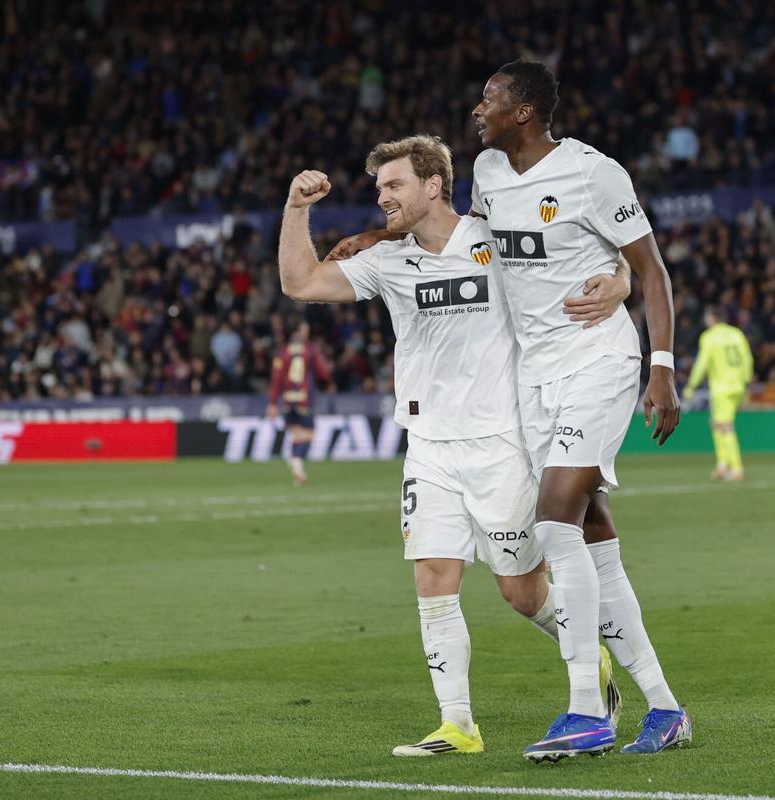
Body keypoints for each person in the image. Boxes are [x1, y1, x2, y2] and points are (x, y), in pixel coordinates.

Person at [330, 60, 691, 761]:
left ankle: (586, 710)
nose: (478, 109)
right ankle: (665, 707)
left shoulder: (594, 173)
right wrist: (378, 238)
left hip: (597, 357)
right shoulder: (490, 172)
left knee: (554, 521)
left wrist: (661, 366)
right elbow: (468, 240)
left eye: (489, 98)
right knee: (592, 537)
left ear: (523, 110)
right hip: (535, 376)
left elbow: (650, 267)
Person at [277, 134, 626, 758]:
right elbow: (300, 283)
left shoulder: (496, 239)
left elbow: (589, 247)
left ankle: (588, 655)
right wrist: (296, 208)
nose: (382, 197)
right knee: (433, 577)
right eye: (379, 187)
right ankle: (458, 725)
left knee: (521, 592)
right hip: (429, 446)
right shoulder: (387, 262)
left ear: (434, 185)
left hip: (503, 443)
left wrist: (622, 279)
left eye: (394, 185)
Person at [683, 306, 753, 480]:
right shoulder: (736, 333)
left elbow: (702, 363)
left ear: (713, 318)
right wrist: (746, 383)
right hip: (738, 385)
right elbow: (747, 359)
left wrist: (691, 386)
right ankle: (722, 464)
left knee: (724, 425)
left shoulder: (709, 336)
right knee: (715, 423)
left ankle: (736, 468)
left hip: (722, 386)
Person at [267, 321, 331, 486]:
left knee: (296, 434)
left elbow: (276, 379)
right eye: (305, 330)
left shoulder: (282, 352)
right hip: (304, 399)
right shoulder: (311, 350)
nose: (307, 333)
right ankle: (296, 460)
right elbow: (323, 373)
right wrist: (328, 379)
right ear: (298, 332)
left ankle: (297, 471)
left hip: (288, 400)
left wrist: (272, 403)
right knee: (309, 434)